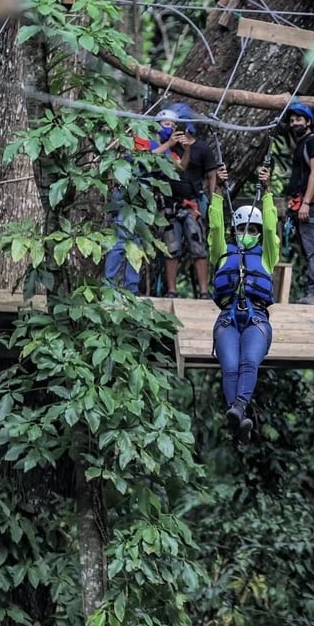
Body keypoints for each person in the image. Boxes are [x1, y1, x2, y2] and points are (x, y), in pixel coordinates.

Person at [208, 164, 279, 439]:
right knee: (230, 366)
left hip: (256, 318)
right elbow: (214, 227)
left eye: (252, 228)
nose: (247, 232)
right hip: (227, 318)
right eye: (242, 228)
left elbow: (272, 229)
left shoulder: (266, 256)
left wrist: (268, 190)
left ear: (258, 232)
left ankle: (237, 408)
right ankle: (237, 418)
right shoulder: (223, 253)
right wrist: (217, 190)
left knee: (249, 362)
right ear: (235, 229)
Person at [104, 108, 187, 293]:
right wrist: (168, 145)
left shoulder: (168, 149)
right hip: (127, 193)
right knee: (120, 239)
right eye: (167, 124)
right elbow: (143, 159)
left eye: (174, 126)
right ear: (157, 124)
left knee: (138, 241)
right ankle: (109, 285)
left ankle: (131, 287)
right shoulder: (142, 138)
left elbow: (179, 168)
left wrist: (184, 147)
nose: (171, 128)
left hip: (144, 197)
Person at [158, 102, 219, 299]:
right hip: (169, 204)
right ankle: (172, 290)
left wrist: (213, 202)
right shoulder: (167, 147)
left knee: (198, 247)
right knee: (171, 247)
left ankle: (203, 291)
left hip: (192, 204)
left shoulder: (202, 149)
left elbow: (212, 176)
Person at [283, 102, 314, 305]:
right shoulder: (302, 145)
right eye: (292, 121)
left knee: (312, 248)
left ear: (309, 122)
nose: (294, 124)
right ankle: (312, 291)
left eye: (299, 120)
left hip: (310, 205)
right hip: (300, 205)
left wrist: (306, 202)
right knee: (306, 249)